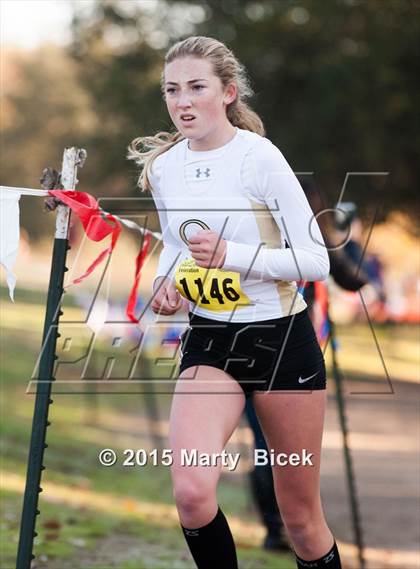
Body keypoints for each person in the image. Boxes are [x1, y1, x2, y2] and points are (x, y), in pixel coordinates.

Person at [128, 36, 342, 569]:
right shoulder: (165, 168)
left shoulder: (259, 158)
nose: (183, 101)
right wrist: (165, 284)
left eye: (196, 87)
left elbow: (316, 261)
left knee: (300, 522)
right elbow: (175, 247)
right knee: (192, 494)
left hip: (281, 342)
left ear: (227, 92)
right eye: (172, 90)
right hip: (210, 340)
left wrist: (233, 255)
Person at [244, 179, 370, 555]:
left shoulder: (254, 236)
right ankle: (288, 522)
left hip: (244, 344)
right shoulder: (315, 241)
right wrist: (348, 238)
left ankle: (274, 526)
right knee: (287, 446)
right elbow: (355, 280)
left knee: (264, 443)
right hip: (294, 351)